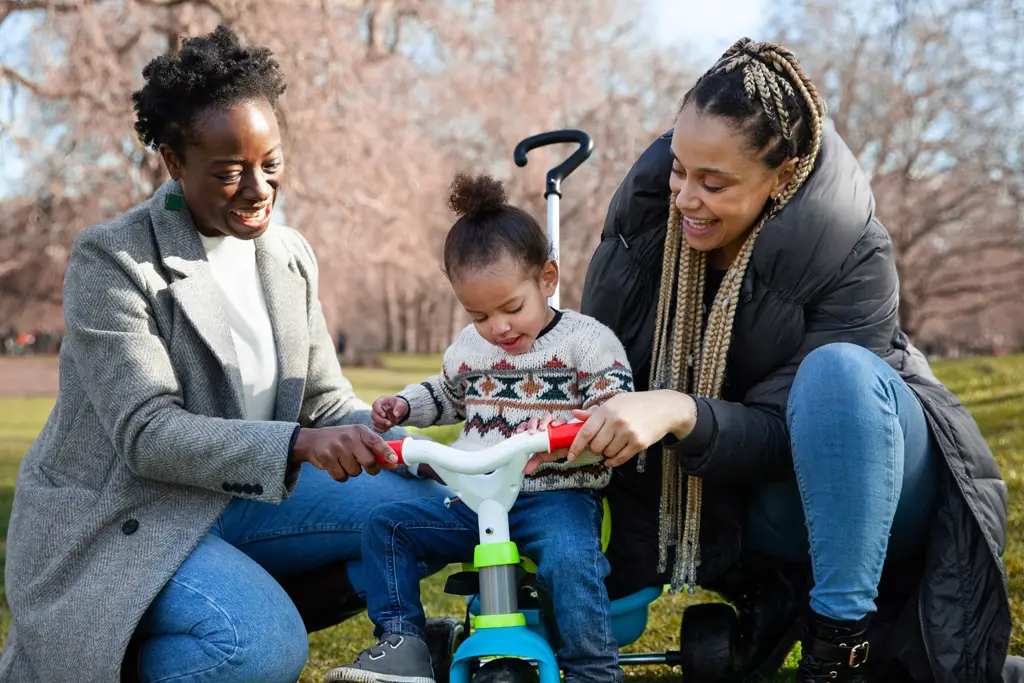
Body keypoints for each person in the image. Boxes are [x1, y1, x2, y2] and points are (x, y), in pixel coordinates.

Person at [534, 39, 1010, 682]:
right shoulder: (645, 223)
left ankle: (837, 649)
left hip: (875, 480)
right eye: (679, 169)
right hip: (752, 503)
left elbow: (792, 435)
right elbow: (607, 368)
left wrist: (677, 408)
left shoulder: (852, 251)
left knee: (836, 374)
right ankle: (773, 595)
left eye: (714, 182)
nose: (684, 199)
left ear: (781, 177)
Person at [0, 26, 446, 683]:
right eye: (231, 171)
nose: (259, 188)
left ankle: (292, 614)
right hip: (126, 516)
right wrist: (296, 444)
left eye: (271, 163)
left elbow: (324, 399)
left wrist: (413, 447)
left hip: (237, 500)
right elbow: (147, 434)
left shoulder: (289, 256)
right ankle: (99, 658)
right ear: (175, 162)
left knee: (431, 510)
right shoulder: (115, 260)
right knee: (260, 647)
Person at [324, 174, 635, 683]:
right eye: (479, 313)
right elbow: (449, 393)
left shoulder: (588, 343)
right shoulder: (472, 346)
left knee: (570, 559)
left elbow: (614, 414)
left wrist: (560, 431)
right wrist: (404, 408)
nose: (499, 328)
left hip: (554, 493)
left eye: (512, 308)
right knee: (389, 526)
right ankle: (404, 643)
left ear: (547, 279)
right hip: (477, 497)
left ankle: (592, 670)